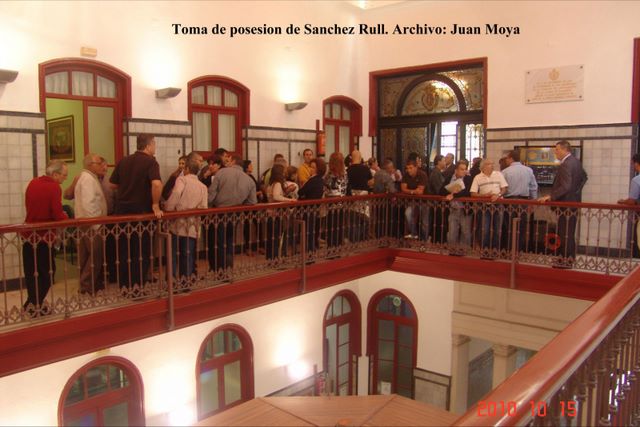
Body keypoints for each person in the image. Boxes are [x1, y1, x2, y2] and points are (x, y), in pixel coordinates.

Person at [110, 134, 163, 290]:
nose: (155, 147)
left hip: (122, 212)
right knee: (141, 251)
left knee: (124, 250)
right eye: (154, 144)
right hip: (142, 213)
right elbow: (157, 184)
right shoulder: (151, 162)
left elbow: (112, 184)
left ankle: (124, 286)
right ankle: (136, 287)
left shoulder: (124, 161)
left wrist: (127, 187)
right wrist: (155, 204)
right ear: (148, 145)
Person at [22, 160, 69, 316]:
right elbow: (57, 214)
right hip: (43, 237)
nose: (65, 179)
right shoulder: (54, 187)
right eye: (64, 175)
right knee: (48, 273)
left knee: (32, 273)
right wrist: (66, 216)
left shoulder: (33, 182)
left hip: (28, 235)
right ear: (54, 174)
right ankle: (33, 306)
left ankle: (32, 305)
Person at [539, 140, 588, 268]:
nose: (555, 152)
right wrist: (576, 192)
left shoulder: (566, 164)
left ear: (564, 150)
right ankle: (568, 259)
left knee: (564, 233)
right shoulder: (576, 162)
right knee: (569, 233)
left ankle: (565, 261)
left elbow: (566, 186)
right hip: (573, 203)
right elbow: (584, 177)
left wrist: (551, 197)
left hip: (565, 205)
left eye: (557, 149)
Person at [208, 153, 257, 273]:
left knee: (218, 242)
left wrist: (207, 208)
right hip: (235, 214)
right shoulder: (249, 180)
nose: (226, 162)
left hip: (218, 213)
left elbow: (211, 196)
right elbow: (252, 202)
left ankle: (219, 270)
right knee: (229, 241)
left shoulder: (221, 172)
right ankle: (228, 268)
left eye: (228, 160)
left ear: (233, 162)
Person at [164, 157, 208, 281]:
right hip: (193, 225)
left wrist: (168, 208)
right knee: (187, 254)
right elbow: (204, 207)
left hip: (177, 223)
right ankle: (186, 281)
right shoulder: (203, 186)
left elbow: (176, 194)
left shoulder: (182, 180)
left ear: (187, 168)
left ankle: (171, 280)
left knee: (173, 253)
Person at [74, 153, 109, 295]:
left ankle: (85, 284)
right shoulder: (88, 179)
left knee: (87, 256)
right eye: (98, 163)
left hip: (85, 223)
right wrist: (96, 224)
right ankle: (87, 285)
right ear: (90, 165)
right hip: (91, 223)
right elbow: (89, 204)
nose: (101, 165)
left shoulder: (87, 177)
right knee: (95, 255)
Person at [502, 150, 538, 251]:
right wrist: (533, 202)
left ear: (511, 158)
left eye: (507, 158)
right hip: (523, 202)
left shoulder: (505, 172)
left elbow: (502, 188)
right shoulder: (528, 170)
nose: (506, 161)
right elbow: (533, 187)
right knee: (521, 227)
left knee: (509, 227)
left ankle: (510, 250)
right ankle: (518, 250)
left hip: (509, 202)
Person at [470, 159, 508, 258]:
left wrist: (498, 195)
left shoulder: (498, 174)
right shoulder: (478, 177)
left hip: (498, 205)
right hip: (484, 206)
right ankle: (485, 251)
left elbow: (504, 189)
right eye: (489, 164)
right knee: (484, 229)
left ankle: (495, 251)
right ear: (483, 166)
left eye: (492, 164)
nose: (492, 165)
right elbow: (473, 193)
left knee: (498, 229)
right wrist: (484, 196)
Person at [265, 164, 296, 260]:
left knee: (271, 238)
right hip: (275, 214)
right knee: (276, 238)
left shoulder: (271, 184)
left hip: (270, 213)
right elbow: (276, 196)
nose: (285, 173)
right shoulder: (278, 183)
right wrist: (290, 200)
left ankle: (270, 258)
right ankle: (275, 258)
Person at [445, 162, 473, 255]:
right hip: (453, 208)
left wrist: (454, 194)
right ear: (456, 170)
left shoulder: (468, 179)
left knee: (465, 232)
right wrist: (450, 193)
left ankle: (463, 251)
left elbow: (468, 192)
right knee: (452, 231)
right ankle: (452, 250)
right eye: (461, 169)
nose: (464, 171)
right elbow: (442, 190)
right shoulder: (449, 178)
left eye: (465, 169)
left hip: (465, 209)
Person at [299, 158, 326, 254]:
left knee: (309, 231)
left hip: (309, 208)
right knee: (314, 230)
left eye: (313, 167)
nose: (310, 169)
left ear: (318, 169)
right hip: (316, 208)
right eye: (310, 167)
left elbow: (300, 192)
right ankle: (312, 249)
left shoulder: (313, 180)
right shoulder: (321, 180)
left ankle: (310, 251)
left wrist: (303, 195)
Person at [324, 152, 349, 249]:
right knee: (338, 226)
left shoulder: (330, 175)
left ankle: (333, 247)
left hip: (333, 204)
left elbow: (327, 189)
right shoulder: (344, 173)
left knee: (333, 227)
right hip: (340, 203)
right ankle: (337, 246)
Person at [618, 153, 640, 253]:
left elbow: (632, 200)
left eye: (632, 163)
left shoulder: (636, 180)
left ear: (636, 163)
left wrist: (623, 201)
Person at [401, 160, 427, 240]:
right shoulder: (406, 175)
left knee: (425, 222)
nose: (409, 170)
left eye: (411, 168)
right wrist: (413, 191)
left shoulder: (422, 175)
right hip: (413, 201)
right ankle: (414, 234)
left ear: (416, 167)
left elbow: (420, 191)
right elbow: (403, 188)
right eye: (407, 168)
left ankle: (424, 240)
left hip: (425, 201)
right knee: (408, 213)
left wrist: (409, 190)